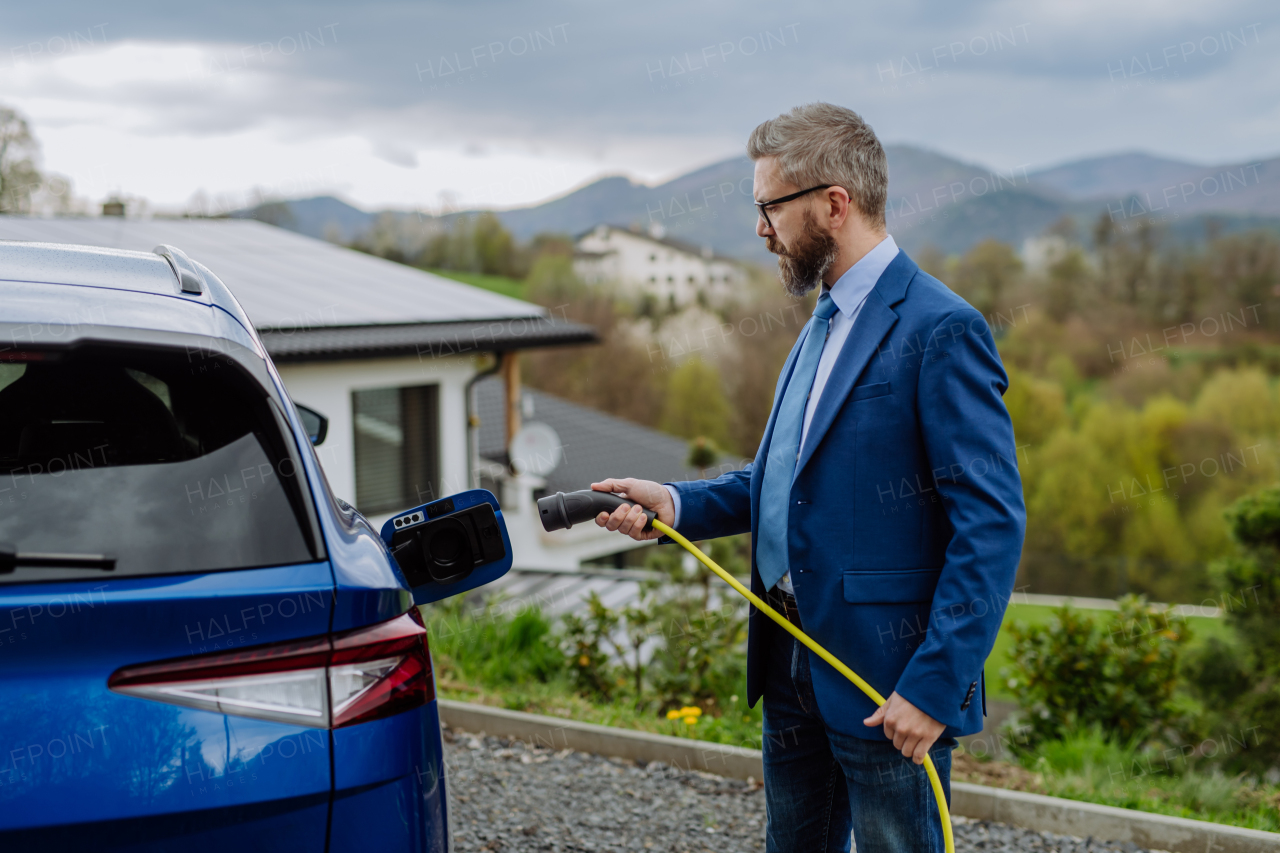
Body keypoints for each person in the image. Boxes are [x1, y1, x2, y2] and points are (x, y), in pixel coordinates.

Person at [591, 102, 1026, 853]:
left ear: (834, 203)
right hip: (790, 661)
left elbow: (991, 524)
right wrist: (675, 501)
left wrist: (931, 687)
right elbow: (784, 482)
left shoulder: (941, 329)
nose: (761, 228)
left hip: (884, 685)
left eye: (771, 208)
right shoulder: (822, 320)